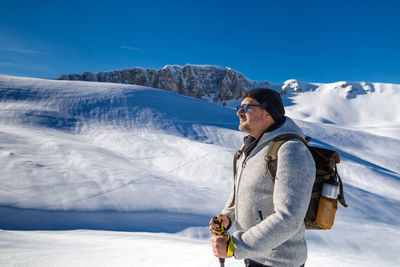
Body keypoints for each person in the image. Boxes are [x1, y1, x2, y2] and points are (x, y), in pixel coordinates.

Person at [210, 88, 316, 267]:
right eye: (239, 106)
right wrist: (228, 217)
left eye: (247, 107)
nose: (239, 112)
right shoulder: (249, 150)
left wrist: (236, 246)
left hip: (279, 262)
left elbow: (289, 218)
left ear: (268, 113)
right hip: (254, 256)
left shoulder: (291, 150)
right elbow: (243, 194)